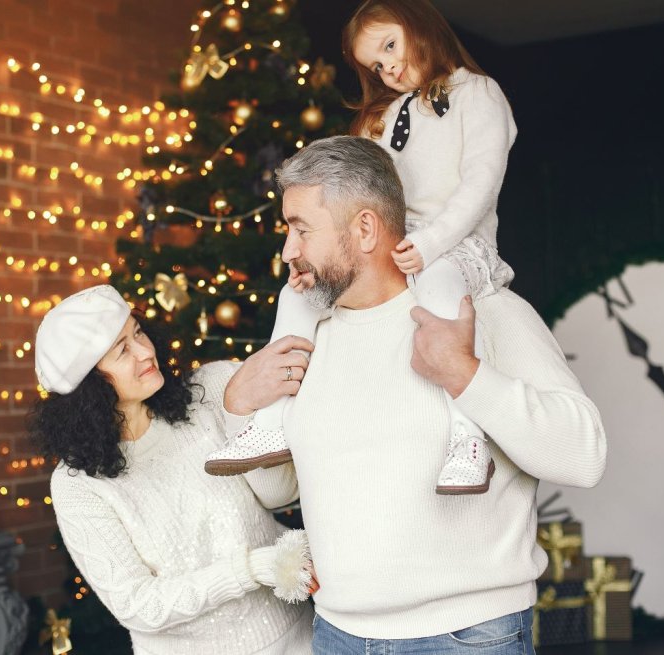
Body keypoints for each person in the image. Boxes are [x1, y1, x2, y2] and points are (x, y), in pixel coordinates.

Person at [222, 135, 607, 653]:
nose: (288, 251)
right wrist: (240, 404)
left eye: (301, 230)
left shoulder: (485, 315)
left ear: (364, 229)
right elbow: (278, 490)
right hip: (338, 635)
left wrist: (465, 374)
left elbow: (584, 457)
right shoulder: (309, 339)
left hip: (467, 637)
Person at [206, 0, 516, 495]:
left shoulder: (477, 94)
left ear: (421, 27)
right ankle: (272, 421)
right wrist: (320, 258)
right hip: (394, 241)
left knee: (438, 287)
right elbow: (360, 197)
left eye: (390, 46)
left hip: (458, 244)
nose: (388, 67)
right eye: (376, 64)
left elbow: (482, 182)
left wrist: (431, 242)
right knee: (298, 295)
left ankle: (467, 437)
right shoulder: (386, 115)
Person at [29, 284, 315, 655]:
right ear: (89, 386)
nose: (146, 351)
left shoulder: (212, 389)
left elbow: (280, 494)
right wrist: (250, 569)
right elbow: (139, 606)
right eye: (122, 351)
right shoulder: (78, 486)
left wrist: (237, 410)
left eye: (138, 332)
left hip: (300, 642)